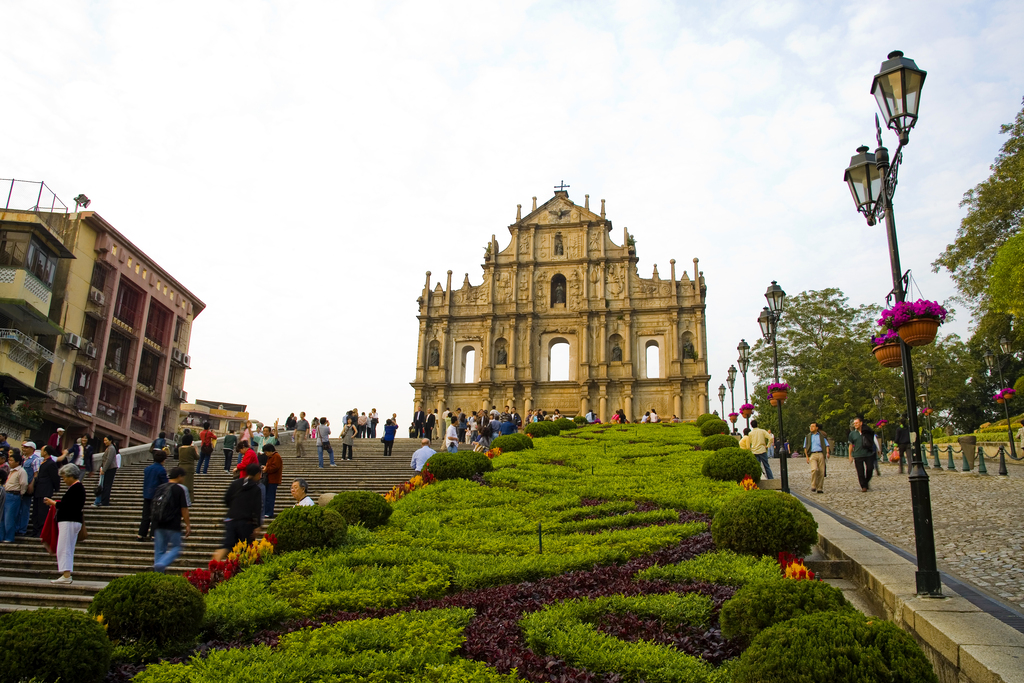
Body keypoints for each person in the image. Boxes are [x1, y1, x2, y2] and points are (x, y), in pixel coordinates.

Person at [43, 463, 85, 584]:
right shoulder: (77, 488)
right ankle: (66, 574)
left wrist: (54, 503)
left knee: (64, 547)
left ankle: (66, 574)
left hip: (69, 520)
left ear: (71, 475)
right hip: (72, 520)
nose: (64, 479)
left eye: (65, 477)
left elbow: (68, 506)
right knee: (67, 547)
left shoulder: (76, 488)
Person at [213, 463, 263, 562]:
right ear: (257, 474)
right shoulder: (256, 489)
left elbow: (226, 499)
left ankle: (213, 568)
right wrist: (258, 525)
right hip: (245, 522)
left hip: (230, 519)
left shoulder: (235, 483)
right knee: (246, 549)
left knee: (226, 546)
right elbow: (257, 508)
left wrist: (233, 509)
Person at [152, 467, 191, 573]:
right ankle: (162, 563)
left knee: (159, 550)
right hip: (173, 523)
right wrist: (188, 524)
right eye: (183, 477)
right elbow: (184, 509)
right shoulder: (180, 489)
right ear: (179, 476)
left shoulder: (160, 487)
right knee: (176, 548)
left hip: (158, 523)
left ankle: (157, 574)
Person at [137, 451, 169, 541]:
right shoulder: (161, 470)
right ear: (163, 459)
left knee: (145, 516)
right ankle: (153, 535)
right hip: (157, 496)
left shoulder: (147, 469)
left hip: (147, 494)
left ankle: (141, 534)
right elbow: (165, 483)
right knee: (156, 516)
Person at [32, 447, 61, 537]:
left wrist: (56, 488)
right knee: (36, 511)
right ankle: (35, 530)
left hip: (45, 490)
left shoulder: (51, 463)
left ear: (46, 452)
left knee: (42, 511)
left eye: (42, 450)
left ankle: (41, 531)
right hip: (38, 489)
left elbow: (55, 477)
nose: (41, 452)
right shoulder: (43, 462)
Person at [2, 452, 27, 543]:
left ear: (17, 462)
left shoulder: (21, 471)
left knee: (10, 517)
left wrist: (21, 493)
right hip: (6, 494)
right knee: (3, 516)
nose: (10, 462)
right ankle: (2, 536)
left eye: (11, 460)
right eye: (9, 460)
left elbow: (24, 484)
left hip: (14, 495)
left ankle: (9, 537)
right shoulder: (11, 471)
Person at [848, 416, 876, 493]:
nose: (855, 424)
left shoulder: (867, 432)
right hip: (858, 454)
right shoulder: (852, 434)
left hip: (868, 453)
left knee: (870, 469)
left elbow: (873, 440)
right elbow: (850, 445)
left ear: (861, 423)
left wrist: (878, 449)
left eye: (857, 423)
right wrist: (850, 455)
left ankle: (866, 481)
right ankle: (863, 486)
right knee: (860, 472)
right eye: (854, 423)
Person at [803, 422, 830, 494]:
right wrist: (807, 457)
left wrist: (827, 453)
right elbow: (805, 447)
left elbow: (826, 444)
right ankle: (813, 485)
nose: (811, 428)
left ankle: (819, 487)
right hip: (812, 454)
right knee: (814, 469)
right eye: (810, 426)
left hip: (820, 453)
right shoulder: (808, 437)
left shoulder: (821, 436)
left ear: (817, 428)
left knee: (821, 471)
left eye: (813, 426)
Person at [96, 436, 118, 507]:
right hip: (108, 468)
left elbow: (109, 460)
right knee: (105, 485)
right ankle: (103, 500)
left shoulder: (111, 448)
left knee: (107, 485)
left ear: (110, 440)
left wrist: (104, 469)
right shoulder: (109, 448)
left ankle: (105, 501)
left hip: (110, 469)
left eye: (106, 440)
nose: (104, 442)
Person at [263, 444, 283, 519]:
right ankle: (267, 511)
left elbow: (275, 467)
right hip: (270, 479)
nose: (266, 454)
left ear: (270, 451)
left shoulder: (276, 456)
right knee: (268, 496)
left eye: (266, 452)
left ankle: (269, 512)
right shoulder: (271, 457)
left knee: (270, 497)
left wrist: (266, 469)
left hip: (273, 480)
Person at [176, 432, 198, 501]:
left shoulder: (180, 448)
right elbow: (197, 457)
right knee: (188, 485)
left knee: (181, 484)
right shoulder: (191, 449)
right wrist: (196, 450)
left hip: (181, 467)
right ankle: (188, 499)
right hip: (189, 468)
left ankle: (180, 498)